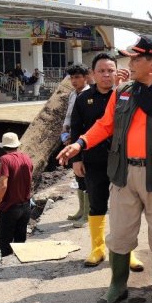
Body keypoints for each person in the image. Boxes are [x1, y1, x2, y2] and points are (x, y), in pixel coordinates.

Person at [57, 35, 152, 303]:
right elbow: (105, 124)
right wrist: (81, 143)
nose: (130, 63)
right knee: (120, 235)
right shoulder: (122, 91)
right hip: (124, 175)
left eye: (136, 58)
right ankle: (117, 285)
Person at [69, 52, 144, 271]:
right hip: (94, 160)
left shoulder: (129, 95)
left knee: (128, 208)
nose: (106, 75)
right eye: (101, 71)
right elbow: (76, 130)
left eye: (110, 70)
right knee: (97, 203)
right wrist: (76, 159)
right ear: (93, 74)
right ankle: (98, 248)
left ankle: (128, 251)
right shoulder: (83, 99)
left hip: (125, 160)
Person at [0, 131, 34, 256]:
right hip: (25, 206)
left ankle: (3, 272)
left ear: (4, 147)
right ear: (17, 145)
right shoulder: (26, 158)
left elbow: (3, 185)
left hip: (10, 208)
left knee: (5, 244)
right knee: (20, 241)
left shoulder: (5, 160)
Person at [62, 64, 92, 226]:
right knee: (77, 174)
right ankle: (81, 210)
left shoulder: (90, 94)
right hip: (72, 140)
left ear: (85, 77)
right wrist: (65, 134)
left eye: (77, 77)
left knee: (86, 174)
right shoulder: (73, 95)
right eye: (72, 78)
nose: (74, 81)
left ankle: (87, 215)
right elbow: (68, 117)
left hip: (85, 140)